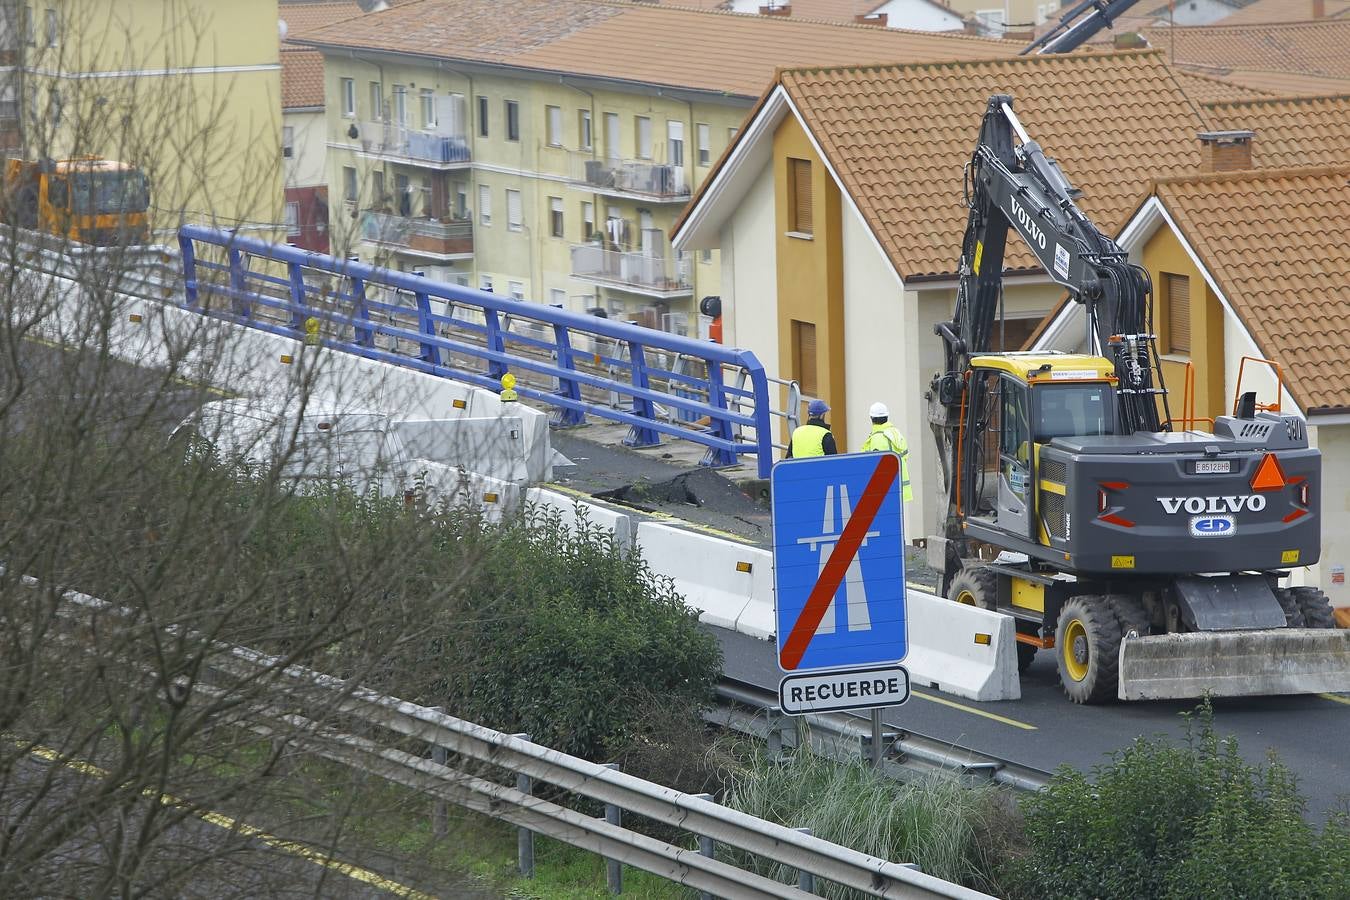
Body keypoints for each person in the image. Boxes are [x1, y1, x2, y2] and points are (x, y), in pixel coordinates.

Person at [859, 401, 912, 502]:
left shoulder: (878, 438)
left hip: (886, 489)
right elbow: (905, 456)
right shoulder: (895, 433)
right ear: (887, 416)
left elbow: (876, 466)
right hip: (897, 485)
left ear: (871, 418)